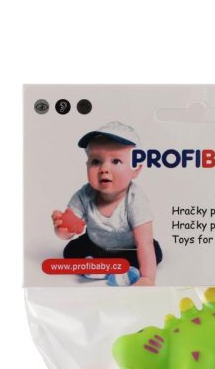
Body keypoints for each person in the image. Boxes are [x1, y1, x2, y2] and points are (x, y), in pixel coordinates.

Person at [53, 122, 162, 286]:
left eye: (116, 161)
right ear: (87, 165)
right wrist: (63, 229)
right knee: (71, 250)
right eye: (96, 161)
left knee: (153, 250)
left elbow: (143, 242)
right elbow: (69, 231)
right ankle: (102, 267)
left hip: (128, 248)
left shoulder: (135, 199)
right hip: (95, 244)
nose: (104, 168)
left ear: (136, 169)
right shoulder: (84, 195)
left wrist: (147, 278)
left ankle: (119, 269)